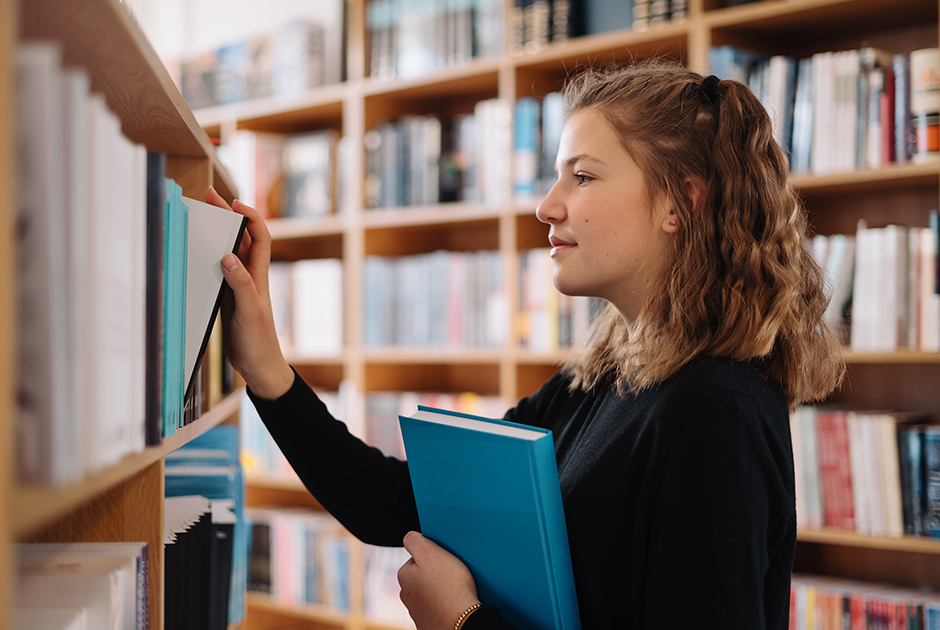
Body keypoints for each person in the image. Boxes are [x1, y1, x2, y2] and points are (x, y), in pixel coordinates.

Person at [206, 58, 845, 630]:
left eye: (583, 177)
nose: (547, 205)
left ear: (681, 203)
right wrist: (268, 371)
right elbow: (398, 505)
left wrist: (462, 623)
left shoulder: (716, 413)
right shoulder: (597, 380)